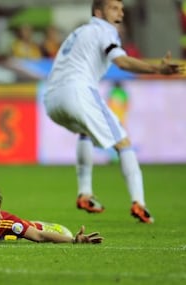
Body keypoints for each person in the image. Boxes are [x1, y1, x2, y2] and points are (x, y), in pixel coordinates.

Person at [43, 0, 183, 224]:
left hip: (52, 100)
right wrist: (157, 69)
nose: (120, 13)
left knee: (85, 132)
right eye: (114, 8)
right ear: (98, 12)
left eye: (121, 9)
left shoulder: (78, 32)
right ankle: (140, 203)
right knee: (124, 143)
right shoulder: (105, 30)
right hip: (79, 92)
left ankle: (85, 193)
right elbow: (121, 62)